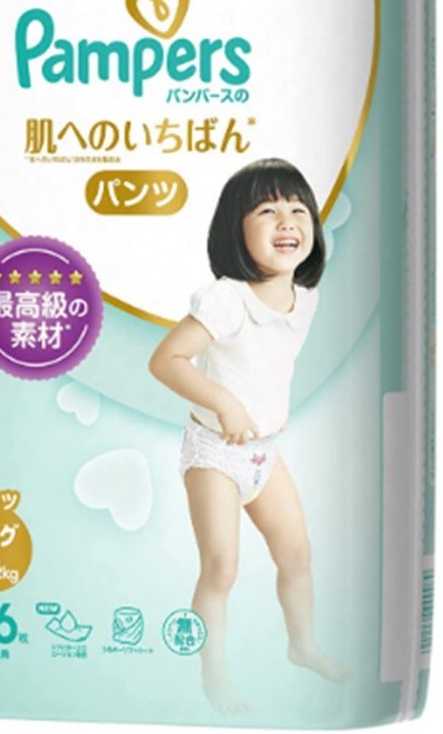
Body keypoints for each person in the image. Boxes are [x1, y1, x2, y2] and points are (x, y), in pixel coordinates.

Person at [149, 158, 352, 713]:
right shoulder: (227, 300)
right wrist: (225, 403)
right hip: (215, 455)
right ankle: (214, 674)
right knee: (221, 568)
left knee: (298, 554)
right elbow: (166, 360)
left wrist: (263, 416)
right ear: (234, 230)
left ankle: (302, 645)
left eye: (298, 210)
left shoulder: (305, 297)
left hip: (265, 455)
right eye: (266, 211)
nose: (286, 221)